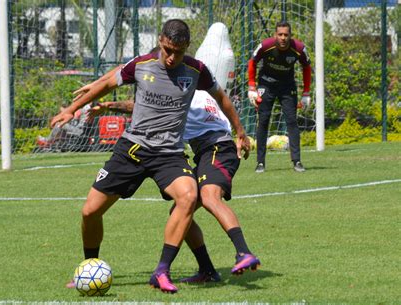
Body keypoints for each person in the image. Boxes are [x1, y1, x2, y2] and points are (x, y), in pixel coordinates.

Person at [52, 19, 249, 294]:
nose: (171, 57)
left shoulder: (196, 70)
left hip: (169, 154)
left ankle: (162, 271)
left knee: (189, 196)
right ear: (160, 41)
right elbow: (109, 81)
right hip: (132, 150)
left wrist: (239, 131)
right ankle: (89, 265)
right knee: (90, 211)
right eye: (167, 50)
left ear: (186, 49)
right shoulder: (142, 64)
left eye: (177, 52)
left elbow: (222, 98)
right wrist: (72, 109)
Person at [247, 21, 312, 173]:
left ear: (290, 36)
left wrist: (306, 92)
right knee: (263, 120)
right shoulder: (265, 45)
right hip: (266, 85)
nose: (283, 38)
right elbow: (252, 62)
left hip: (287, 86)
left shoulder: (300, 49)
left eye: (286, 35)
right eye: (280, 34)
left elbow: (307, 67)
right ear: (275, 35)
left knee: (291, 121)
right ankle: (260, 163)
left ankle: (297, 161)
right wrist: (252, 86)